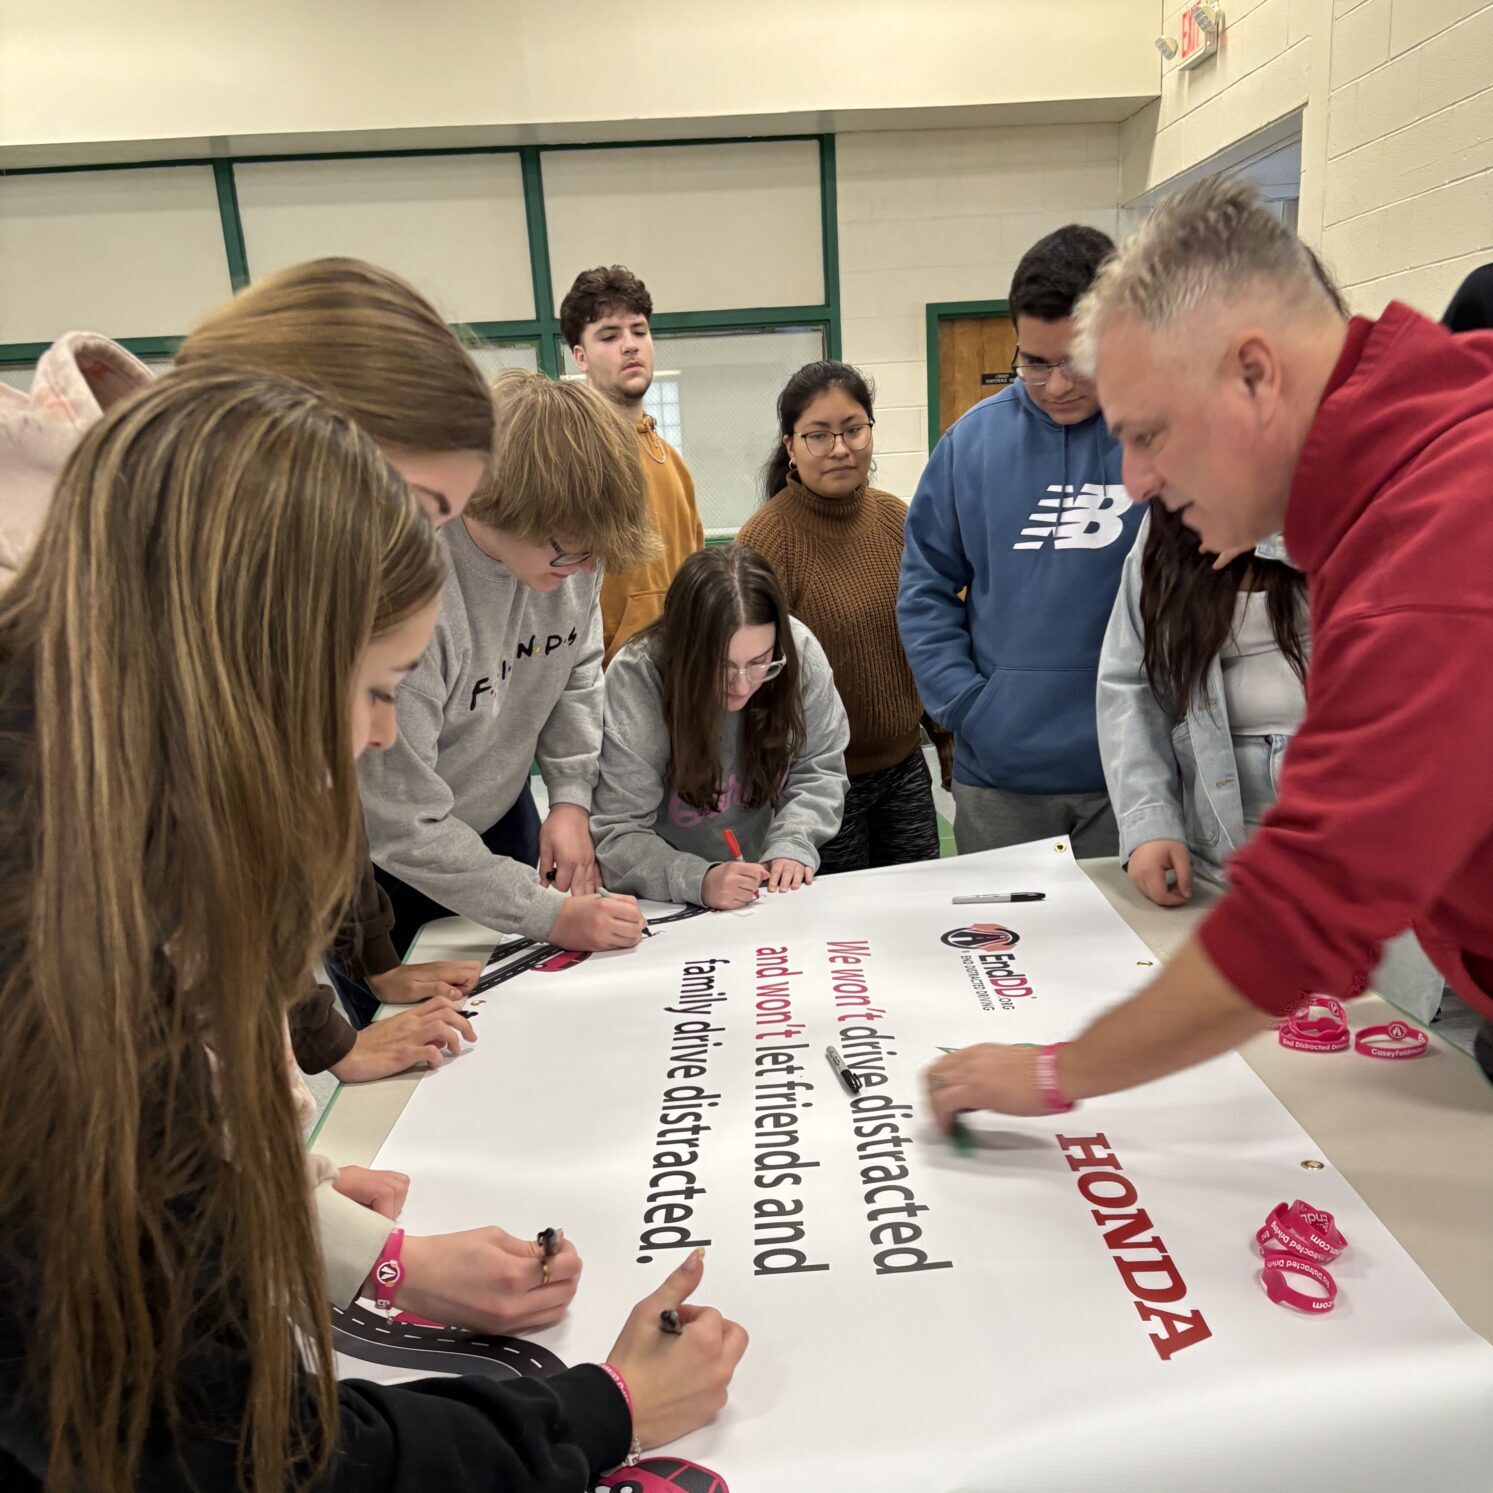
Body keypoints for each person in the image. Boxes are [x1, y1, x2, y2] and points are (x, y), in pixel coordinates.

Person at [0, 366, 746, 1491]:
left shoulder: (102, 829)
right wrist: (594, 1410)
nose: (381, 740)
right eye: (376, 688)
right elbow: (232, 1453)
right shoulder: (58, 978)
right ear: (247, 667)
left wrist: (324, 1237)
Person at [0, 262, 587, 1340]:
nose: (419, 559)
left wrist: (301, 1202)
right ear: (294, 457)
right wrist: (334, 1239)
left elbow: (242, 966)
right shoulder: (66, 692)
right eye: (416, 514)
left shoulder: (164, 611)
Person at [925, 176, 1493, 1127]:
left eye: (1148, 435)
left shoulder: (1437, 536)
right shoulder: (1403, 473)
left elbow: (1306, 911)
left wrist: (1047, 1075)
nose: (1137, 483)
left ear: (1254, 374)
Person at [1096, 500, 1446, 1022]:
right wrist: (1149, 821)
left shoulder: (1360, 489)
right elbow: (1131, 681)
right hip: (1226, 823)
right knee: (1256, 1023)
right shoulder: (1165, 520)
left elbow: (1420, 596)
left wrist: (1271, 536)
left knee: (1380, 1025)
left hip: (1362, 818)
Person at [359, 368, 659, 953]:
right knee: (422, 1030)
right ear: (499, 504)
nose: (582, 570)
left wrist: (570, 799)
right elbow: (402, 824)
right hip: (384, 857)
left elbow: (575, 666)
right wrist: (544, 914)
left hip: (501, 807)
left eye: (594, 555)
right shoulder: (408, 602)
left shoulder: (574, 559)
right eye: (570, 551)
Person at [899, 225, 1143, 860]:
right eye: (1034, 363)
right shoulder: (969, 446)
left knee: (1134, 956)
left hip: (1137, 775)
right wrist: (969, 707)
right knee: (1004, 951)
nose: (1057, 385)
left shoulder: (1161, 438)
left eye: (1076, 361)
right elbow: (924, 590)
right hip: (1001, 780)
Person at [737, 360, 941, 873]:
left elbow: (930, 635)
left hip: (905, 769)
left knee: (915, 916)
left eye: (853, 430)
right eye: (819, 435)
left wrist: (948, 740)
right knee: (843, 934)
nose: (840, 448)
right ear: (790, 446)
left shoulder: (898, 519)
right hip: (814, 784)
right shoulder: (766, 540)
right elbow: (749, 679)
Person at [592, 545, 850, 908]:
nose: (742, 686)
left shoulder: (798, 650)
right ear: (684, 653)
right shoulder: (640, 675)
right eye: (720, 667)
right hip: (659, 899)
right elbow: (619, 831)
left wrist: (793, 841)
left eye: (760, 663)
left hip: (753, 887)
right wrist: (699, 879)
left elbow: (819, 766)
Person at [562, 264, 705, 664]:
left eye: (639, 331)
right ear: (581, 356)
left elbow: (695, 569)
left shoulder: (670, 459)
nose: (630, 345)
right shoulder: (570, 457)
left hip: (684, 669)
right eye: (609, 335)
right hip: (602, 680)